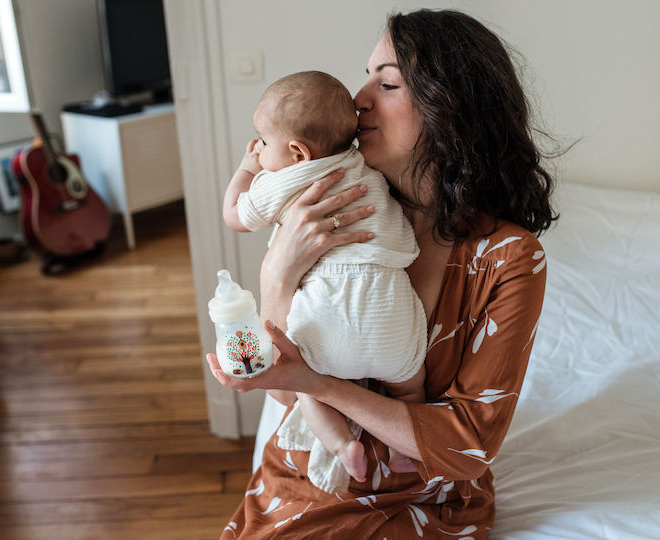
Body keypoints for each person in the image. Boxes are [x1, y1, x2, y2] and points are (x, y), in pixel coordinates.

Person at [207, 8, 557, 539]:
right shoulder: (322, 203)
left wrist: (319, 383)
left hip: (426, 500)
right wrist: (277, 273)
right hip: (304, 479)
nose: (359, 97)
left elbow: (467, 447)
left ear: (450, 107)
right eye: (366, 74)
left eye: (387, 81)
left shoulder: (507, 259)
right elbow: (282, 394)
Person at [221, 70, 427, 493]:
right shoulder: (361, 165)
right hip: (390, 314)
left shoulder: (281, 181)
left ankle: (341, 445)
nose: (258, 149)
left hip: (326, 314)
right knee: (410, 384)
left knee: (304, 383)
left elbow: (234, 216)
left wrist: (246, 168)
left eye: (262, 141)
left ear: (297, 152)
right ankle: (405, 448)